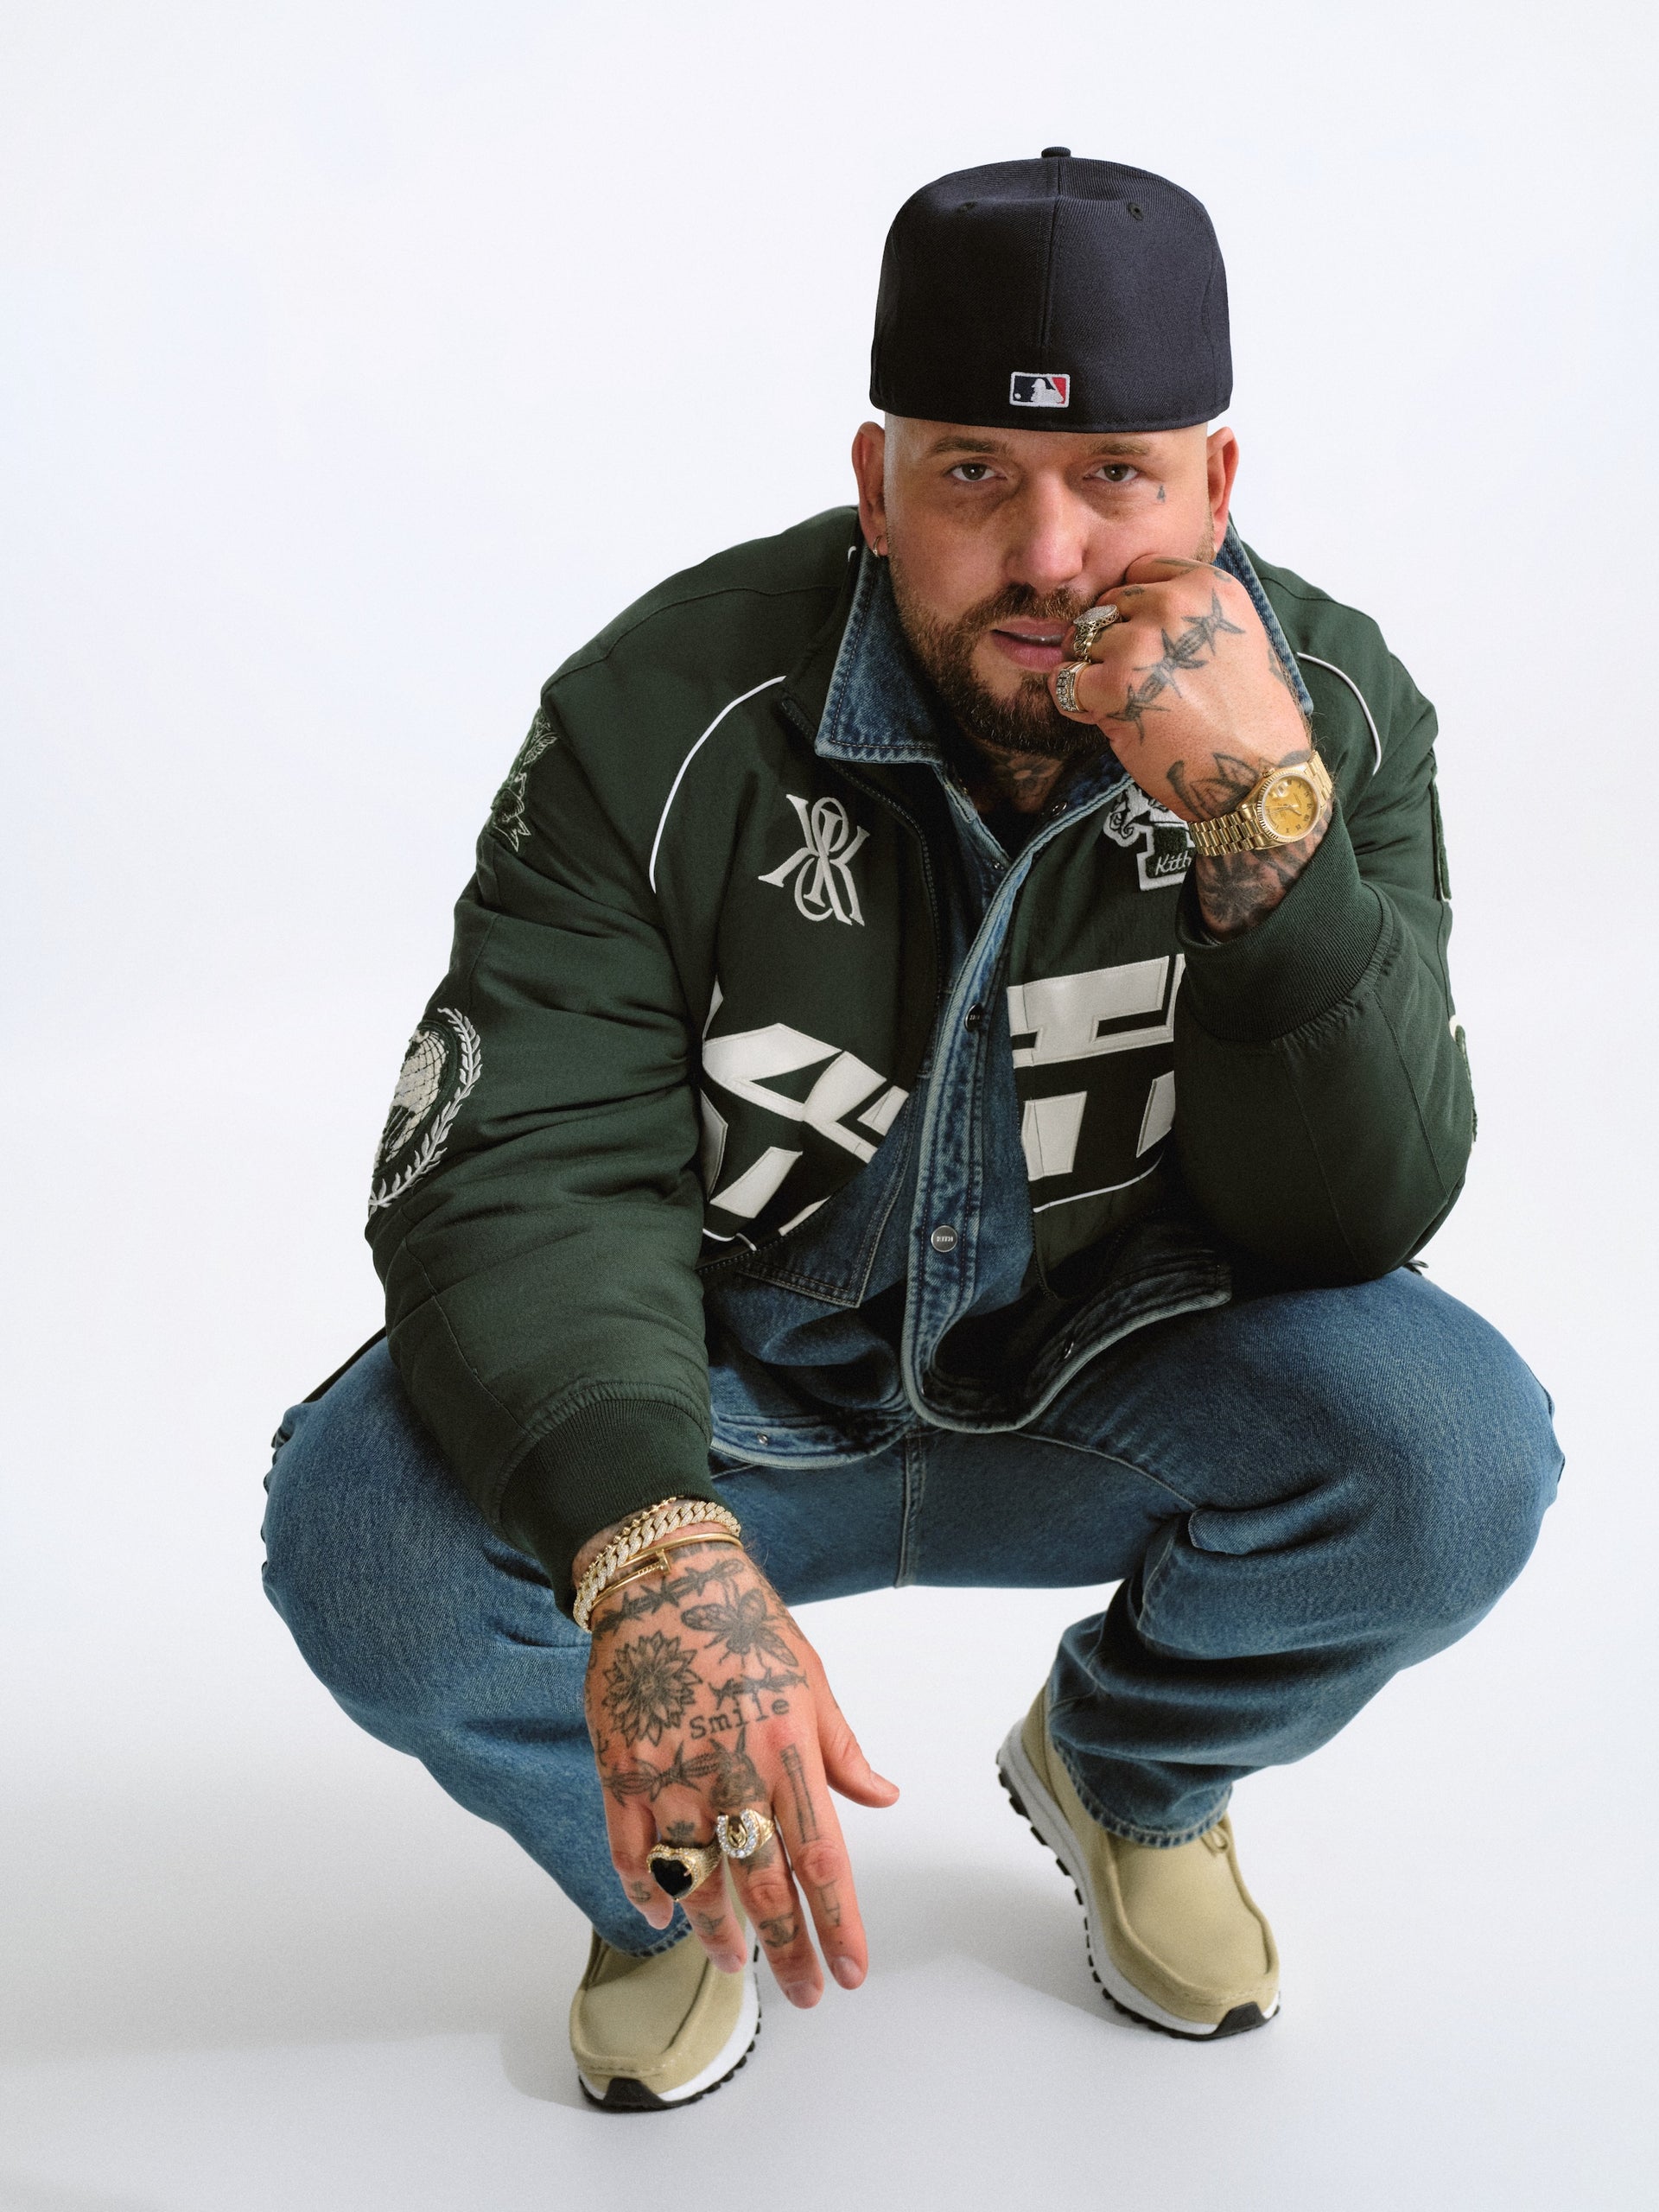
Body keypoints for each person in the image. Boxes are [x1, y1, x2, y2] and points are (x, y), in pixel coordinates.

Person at [262, 150, 1560, 2107]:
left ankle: (1129, 1776)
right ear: (877, 488)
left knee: (1455, 1450)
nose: (1050, 554)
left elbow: (1351, 1218)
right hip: (729, 1402)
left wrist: (1265, 842)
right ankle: (673, 1857)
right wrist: (648, 1554)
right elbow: (527, 1160)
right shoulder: (661, 708)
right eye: (973, 474)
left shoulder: (1334, 710)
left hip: (1114, 1377)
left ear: (1215, 485)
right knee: (364, 1529)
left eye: (1116, 474)